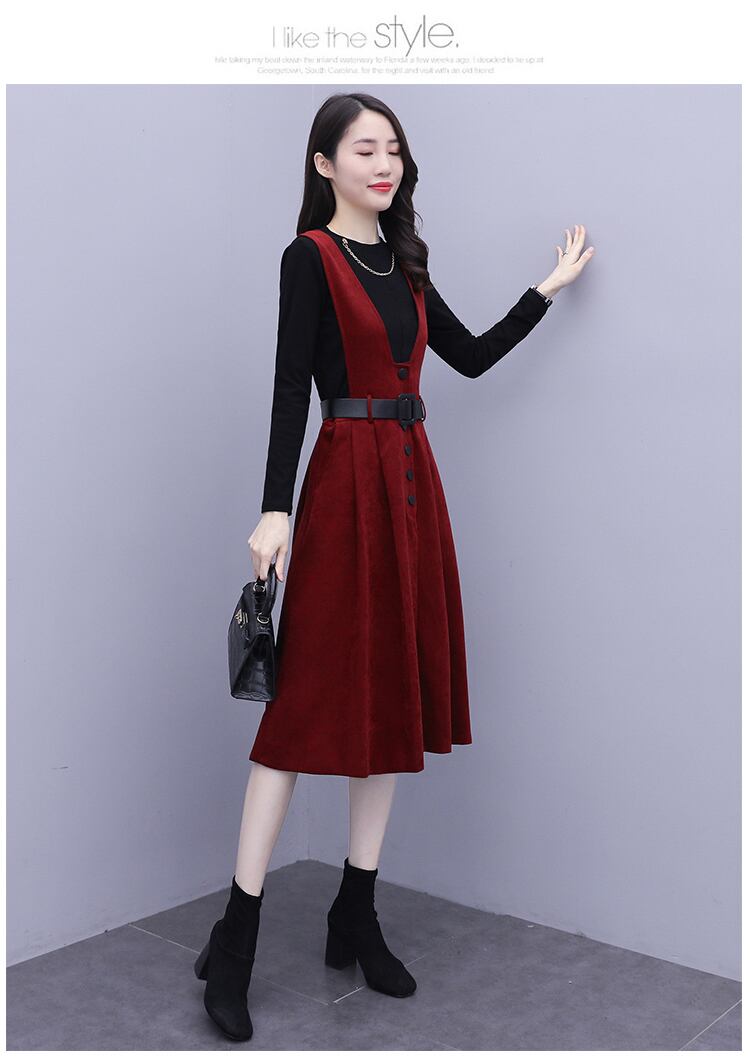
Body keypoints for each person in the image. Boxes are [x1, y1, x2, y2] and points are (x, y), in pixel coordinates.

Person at [194, 92, 595, 1042]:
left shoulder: (407, 262)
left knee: (391, 693)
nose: (385, 165)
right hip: (343, 488)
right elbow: (290, 388)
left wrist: (545, 289)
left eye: (395, 151)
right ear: (324, 163)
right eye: (366, 149)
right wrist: (275, 508)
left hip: (413, 489)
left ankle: (356, 910)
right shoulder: (310, 257)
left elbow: (470, 358)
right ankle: (237, 937)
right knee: (301, 711)